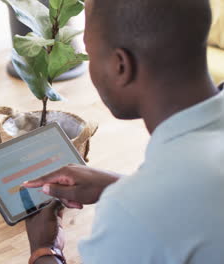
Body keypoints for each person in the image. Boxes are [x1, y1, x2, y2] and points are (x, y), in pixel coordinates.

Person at [22, 0, 224, 263]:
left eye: (91, 55)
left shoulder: (131, 214)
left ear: (120, 66)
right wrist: (122, 185)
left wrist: (44, 249)